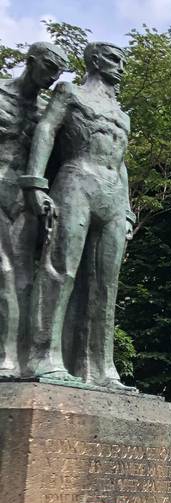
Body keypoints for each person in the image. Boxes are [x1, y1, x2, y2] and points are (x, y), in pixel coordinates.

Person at [21, 42, 134, 389]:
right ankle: (44, 356)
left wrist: (127, 208)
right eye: (114, 60)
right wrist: (35, 183)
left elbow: (121, 161)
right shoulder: (70, 93)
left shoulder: (122, 114)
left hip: (113, 196)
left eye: (122, 62)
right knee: (60, 270)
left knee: (105, 285)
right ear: (96, 60)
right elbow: (46, 130)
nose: (120, 67)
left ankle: (100, 369)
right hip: (76, 180)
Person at [0, 42, 68, 377]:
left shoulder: (45, 109)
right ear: (31, 62)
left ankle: (19, 357)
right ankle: (6, 358)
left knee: (22, 277)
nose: (54, 77)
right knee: (4, 273)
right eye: (50, 67)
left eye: (59, 71)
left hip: (25, 198)